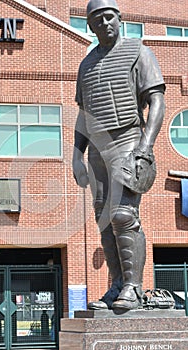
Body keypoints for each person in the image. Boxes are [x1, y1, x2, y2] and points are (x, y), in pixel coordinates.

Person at [72, 0, 165, 311]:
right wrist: (76, 154)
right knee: (103, 220)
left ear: (119, 18)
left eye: (109, 16)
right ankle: (115, 286)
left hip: (127, 139)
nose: (105, 23)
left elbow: (156, 100)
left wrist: (145, 146)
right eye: (97, 19)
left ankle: (134, 288)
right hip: (96, 150)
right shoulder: (86, 65)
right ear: (90, 25)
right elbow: (83, 115)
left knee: (123, 215)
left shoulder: (138, 51)